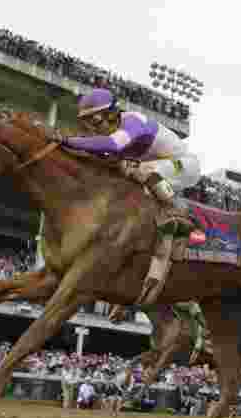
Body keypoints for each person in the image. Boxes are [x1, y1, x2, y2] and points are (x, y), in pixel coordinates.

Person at [63, 87, 202, 309]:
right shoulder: (112, 132)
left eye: (95, 119)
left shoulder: (132, 121)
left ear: (111, 112)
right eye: (88, 122)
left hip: (184, 165)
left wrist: (69, 140)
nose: (92, 126)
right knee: (123, 176)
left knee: (140, 169)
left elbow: (113, 145)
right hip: (161, 168)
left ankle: (179, 213)